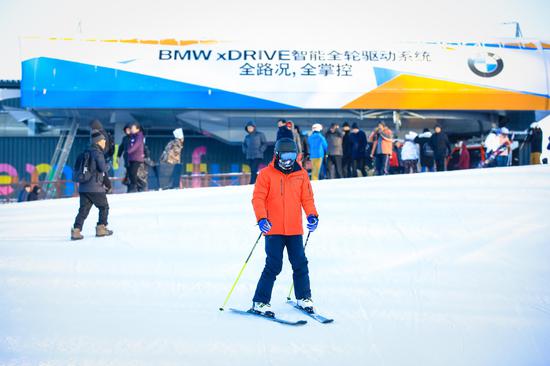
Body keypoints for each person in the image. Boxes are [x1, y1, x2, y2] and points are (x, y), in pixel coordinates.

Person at [251, 137, 319, 315]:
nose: (288, 160)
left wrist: (312, 215)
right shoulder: (266, 174)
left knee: (300, 263)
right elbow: (258, 198)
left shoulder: (301, 174)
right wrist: (261, 219)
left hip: (294, 228)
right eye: (285, 155)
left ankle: (304, 297)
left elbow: (307, 198)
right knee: (274, 265)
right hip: (273, 228)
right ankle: (260, 301)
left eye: (292, 155)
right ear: (277, 155)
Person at [71, 131, 113, 240]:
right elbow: (103, 170)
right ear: (98, 142)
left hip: (83, 187)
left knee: (83, 210)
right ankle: (101, 227)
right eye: (103, 140)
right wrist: (108, 182)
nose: (104, 142)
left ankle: (76, 230)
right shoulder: (97, 153)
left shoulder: (84, 153)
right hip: (95, 188)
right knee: (104, 207)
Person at [90, 120, 114, 193]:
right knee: (102, 172)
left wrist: (100, 154)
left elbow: (105, 147)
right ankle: (106, 187)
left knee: (103, 172)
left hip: (102, 156)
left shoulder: (101, 135)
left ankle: (108, 187)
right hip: (102, 156)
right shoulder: (103, 133)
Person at [126, 123, 146, 192]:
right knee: (131, 173)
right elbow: (130, 140)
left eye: (133, 128)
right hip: (131, 158)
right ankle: (135, 186)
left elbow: (136, 145)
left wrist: (129, 151)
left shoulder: (140, 136)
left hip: (137, 158)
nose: (131, 129)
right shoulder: (133, 135)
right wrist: (128, 133)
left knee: (133, 172)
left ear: (137, 129)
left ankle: (136, 186)